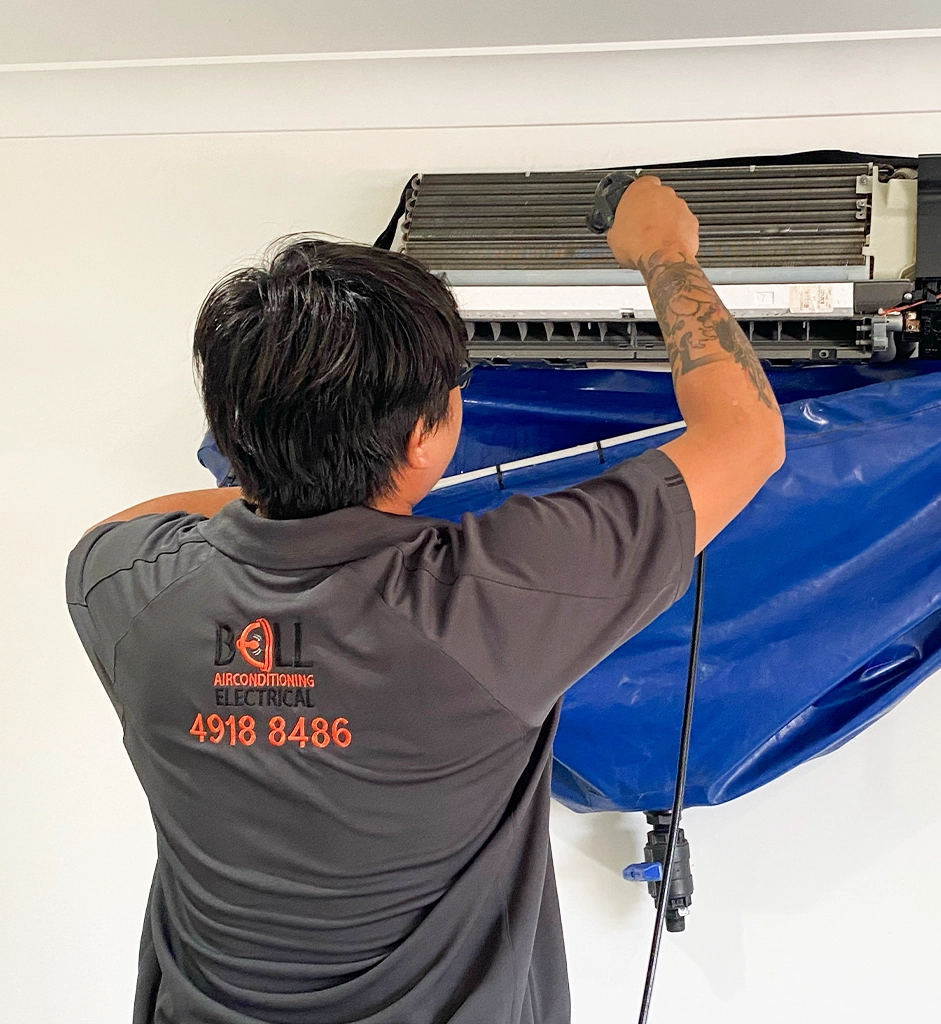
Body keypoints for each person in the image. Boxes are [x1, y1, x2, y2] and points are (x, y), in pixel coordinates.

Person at [66, 176, 785, 1024]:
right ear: (422, 439)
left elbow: (126, 523)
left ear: (229, 436)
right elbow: (747, 434)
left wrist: (278, 487)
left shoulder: (124, 590)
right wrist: (664, 251)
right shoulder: (487, 600)